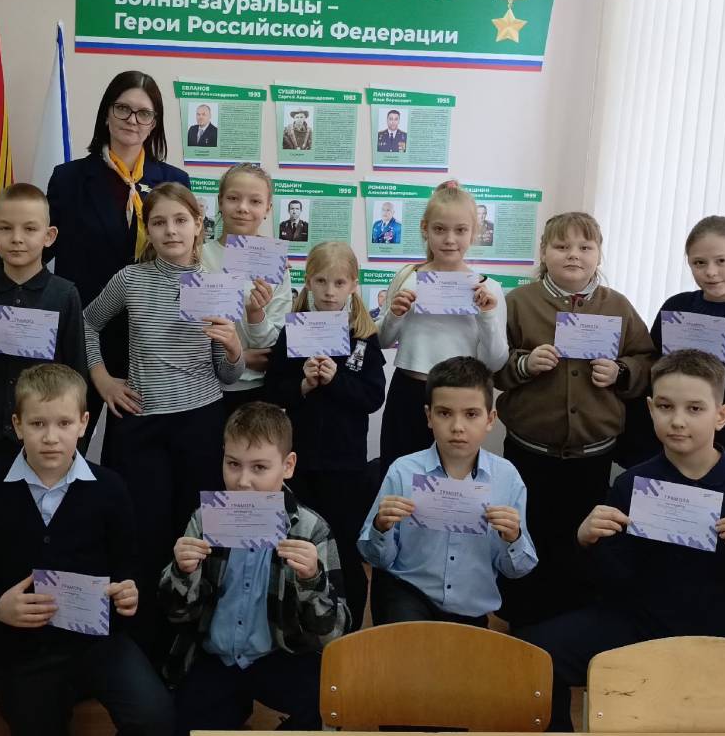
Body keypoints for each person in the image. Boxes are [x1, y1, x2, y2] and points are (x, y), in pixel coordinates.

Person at [518, 349, 725, 730]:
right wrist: (586, 542)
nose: (678, 421)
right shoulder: (633, 483)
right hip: (639, 628)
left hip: (724, 639)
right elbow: (608, 579)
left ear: (722, 415)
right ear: (651, 409)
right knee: (532, 656)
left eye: (695, 409)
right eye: (666, 407)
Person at [0, 363, 172, 736]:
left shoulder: (110, 488)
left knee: (154, 720)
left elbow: (130, 566)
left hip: (98, 641)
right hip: (26, 648)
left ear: (84, 423)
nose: (51, 437)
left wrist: (130, 591)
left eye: (64, 423)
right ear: (17, 425)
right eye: (38, 423)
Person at [84, 182, 245, 649]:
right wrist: (102, 379)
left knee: (198, 531)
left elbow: (228, 374)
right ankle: (146, 642)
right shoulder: (130, 280)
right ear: (147, 229)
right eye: (159, 222)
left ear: (198, 225)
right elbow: (87, 323)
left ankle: (195, 636)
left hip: (201, 421)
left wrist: (234, 347)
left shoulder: (218, 284)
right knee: (145, 534)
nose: (170, 230)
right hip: (142, 425)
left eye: (180, 220)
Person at [161, 402, 349, 736]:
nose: (243, 481)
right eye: (233, 464)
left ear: (288, 466)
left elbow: (334, 633)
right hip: (216, 656)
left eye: (259, 468)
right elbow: (175, 614)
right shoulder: (205, 519)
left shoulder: (310, 529)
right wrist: (181, 572)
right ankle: (229, 718)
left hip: (280, 654)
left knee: (327, 712)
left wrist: (312, 579)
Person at [494, 211, 655, 627]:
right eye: (562, 246)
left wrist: (620, 372)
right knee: (526, 533)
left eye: (585, 247)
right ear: (543, 252)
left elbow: (647, 361)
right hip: (530, 453)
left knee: (584, 539)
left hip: (592, 456)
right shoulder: (518, 303)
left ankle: (572, 625)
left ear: (599, 253)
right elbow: (492, 364)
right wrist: (524, 363)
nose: (573, 255)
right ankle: (522, 621)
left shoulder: (618, 306)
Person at [46, 70, 189, 436]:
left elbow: (188, 260)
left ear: (154, 123)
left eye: (144, 113)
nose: (132, 120)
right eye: (123, 109)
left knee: (135, 454)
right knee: (67, 443)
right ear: (106, 114)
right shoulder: (69, 178)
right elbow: (40, 248)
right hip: (85, 334)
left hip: (151, 340)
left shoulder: (174, 181)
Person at [361, 357, 535, 626]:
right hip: (409, 592)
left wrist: (514, 537)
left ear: (490, 419)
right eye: (444, 413)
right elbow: (374, 557)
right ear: (428, 416)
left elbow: (518, 569)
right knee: (407, 639)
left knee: (464, 652)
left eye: (471, 414)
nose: (457, 427)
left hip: (470, 604)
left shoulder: (507, 478)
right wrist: (380, 527)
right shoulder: (403, 471)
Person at [264, 241, 385, 629]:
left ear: (353, 284)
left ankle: (348, 629)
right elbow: (274, 390)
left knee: (344, 546)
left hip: (345, 465)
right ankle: (300, 623)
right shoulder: (294, 329)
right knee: (300, 543)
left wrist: (336, 380)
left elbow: (372, 397)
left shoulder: (363, 335)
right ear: (308, 282)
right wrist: (302, 385)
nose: (330, 292)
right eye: (321, 281)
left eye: (339, 283)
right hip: (300, 463)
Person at [621, 216, 725, 464]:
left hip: (716, 453)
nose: (710, 272)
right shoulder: (677, 306)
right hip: (651, 448)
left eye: (721, 261)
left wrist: (707, 380)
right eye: (699, 263)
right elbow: (649, 363)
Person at [0, 183, 88, 490]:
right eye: (6, 228)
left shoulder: (64, 295)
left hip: (44, 440)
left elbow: (77, 373)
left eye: (29, 229)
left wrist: (73, 442)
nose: (17, 238)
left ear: (49, 236)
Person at [377, 184, 507, 473]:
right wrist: (395, 315)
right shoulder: (408, 277)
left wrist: (486, 316)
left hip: (461, 400)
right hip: (408, 393)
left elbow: (496, 362)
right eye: (439, 229)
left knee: (450, 482)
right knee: (399, 476)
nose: (449, 239)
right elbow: (382, 340)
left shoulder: (489, 289)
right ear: (425, 229)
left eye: (460, 230)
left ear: (474, 232)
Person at [200, 163, 291, 414]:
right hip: (204, 388)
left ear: (268, 208)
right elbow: (186, 333)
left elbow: (273, 345)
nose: (242, 208)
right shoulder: (197, 257)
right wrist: (240, 356)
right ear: (220, 201)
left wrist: (255, 314)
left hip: (259, 389)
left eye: (255, 201)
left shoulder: (275, 263)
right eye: (233, 198)